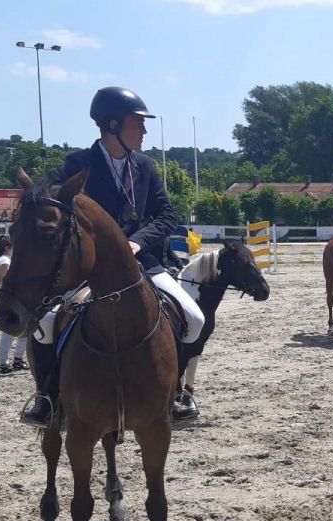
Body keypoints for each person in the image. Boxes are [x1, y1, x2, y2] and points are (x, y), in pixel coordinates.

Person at [21, 86, 206, 427]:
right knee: (45, 324)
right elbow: (52, 201)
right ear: (111, 125)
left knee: (193, 319)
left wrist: (136, 242)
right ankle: (47, 396)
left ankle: (176, 393)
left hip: (142, 260)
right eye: (138, 123)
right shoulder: (78, 165)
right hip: (88, 268)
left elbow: (167, 216)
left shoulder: (145, 166)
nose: (145, 131)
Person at [0, 236, 27, 374]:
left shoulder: (8, 260)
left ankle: (17, 359)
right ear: (7, 247)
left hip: (16, 299)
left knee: (25, 331)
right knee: (8, 332)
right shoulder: (5, 261)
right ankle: (4, 362)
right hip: (9, 300)